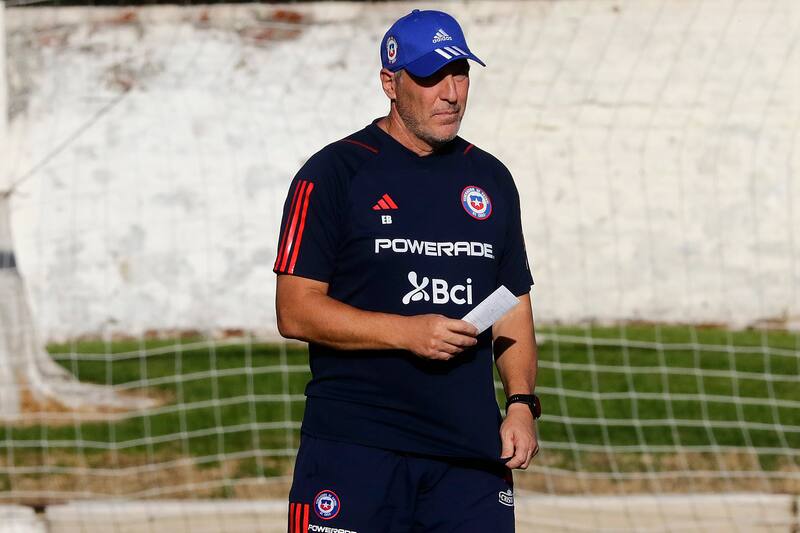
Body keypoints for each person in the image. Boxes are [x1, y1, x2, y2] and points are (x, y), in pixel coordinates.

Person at [274, 9, 539, 533]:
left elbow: (513, 305)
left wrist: (522, 403)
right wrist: (407, 333)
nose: (451, 92)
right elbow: (295, 310)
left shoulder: (491, 178)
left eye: (460, 72)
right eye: (430, 77)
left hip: (467, 459)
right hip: (357, 450)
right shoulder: (333, 174)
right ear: (389, 83)